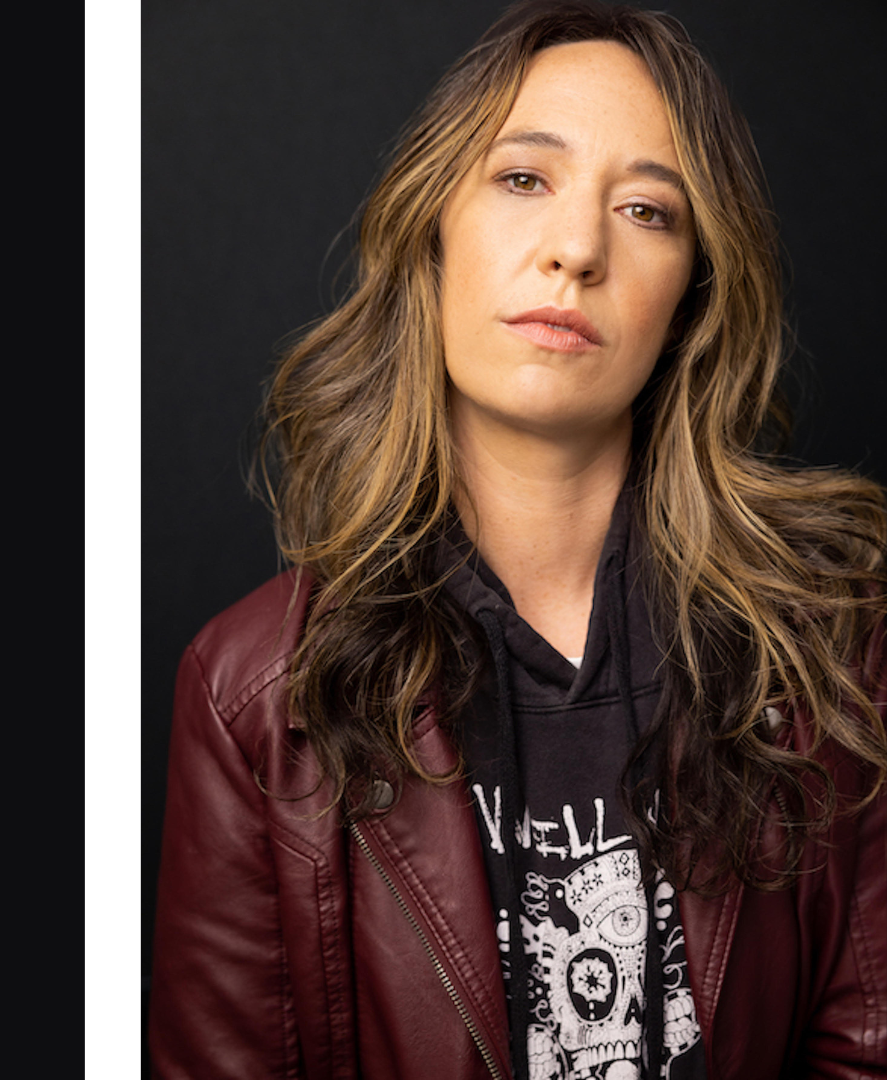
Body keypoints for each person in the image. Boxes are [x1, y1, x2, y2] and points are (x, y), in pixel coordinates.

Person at [148, 2, 886, 1077]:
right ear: (432, 224)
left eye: (645, 210)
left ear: (691, 298)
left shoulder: (832, 646)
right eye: (524, 179)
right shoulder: (251, 695)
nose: (577, 250)